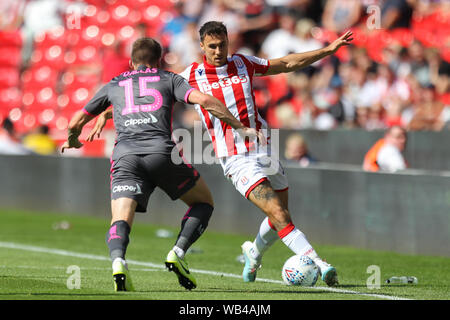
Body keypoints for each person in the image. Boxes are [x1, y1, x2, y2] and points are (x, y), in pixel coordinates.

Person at [90, 22, 352, 287]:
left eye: (222, 45)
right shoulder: (190, 75)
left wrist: (327, 50)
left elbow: (284, 63)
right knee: (278, 214)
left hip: (263, 148)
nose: (218, 51)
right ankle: (319, 263)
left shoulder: (243, 63)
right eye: (212, 46)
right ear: (202, 46)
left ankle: (254, 253)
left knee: (281, 214)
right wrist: (107, 113)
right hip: (235, 158)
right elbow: (154, 97)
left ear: (228, 42)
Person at [61, 37, 261, 292]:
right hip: (162, 153)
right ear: (159, 59)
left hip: (126, 157)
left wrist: (73, 140)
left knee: (120, 218)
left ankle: (119, 262)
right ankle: (177, 252)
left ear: (132, 62)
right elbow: (207, 101)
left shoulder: (115, 83)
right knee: (204, 203)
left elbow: (75, 122)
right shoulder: (170, 79)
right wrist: (240, 127)